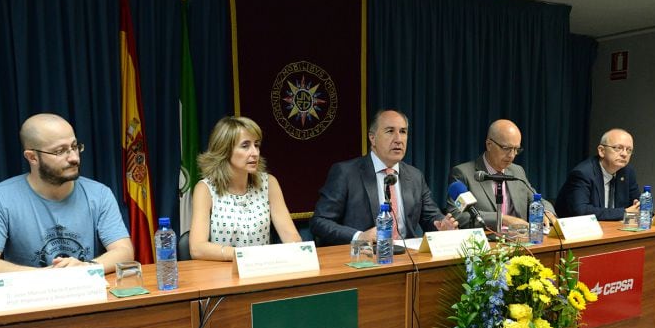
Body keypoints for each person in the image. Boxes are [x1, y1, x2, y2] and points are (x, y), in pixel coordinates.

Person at [0, 113, 133, 282]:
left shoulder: (99, 194)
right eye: (60, 151)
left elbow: (124, 251)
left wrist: (88, 267)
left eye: (74, 146)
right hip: (28, 300)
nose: (74, 157)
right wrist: (45, 276)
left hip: (86, 296)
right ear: (32, 157)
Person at [310, 109, 457, 246]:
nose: (398, 139)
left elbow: (431, 217)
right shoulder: (346, 173)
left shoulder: (415, 176)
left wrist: (442, 225)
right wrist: (359, 237)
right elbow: (320, 222)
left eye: (403, 132)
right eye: (390, 131)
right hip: (364, 258)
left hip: (408, 258)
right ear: (372, 138)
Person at [189, 116, 301, 261]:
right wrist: (243, 256)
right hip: (222, 274)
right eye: (245, 146)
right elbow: (197, 248)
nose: (255, 153)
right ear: (225, 150)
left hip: (263, 270)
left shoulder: (269, 183)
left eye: (256, 145)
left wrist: (298, 252)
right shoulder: (205, 189)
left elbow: (291, 236)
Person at [446, 119, 555, 229]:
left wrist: (547, 211)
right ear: (489, 144)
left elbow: (535, 199)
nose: (512, 155)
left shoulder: (517, 171)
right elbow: (457, 215)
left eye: (516, 149)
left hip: (522, 240)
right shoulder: (463, 173)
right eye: (506, 148)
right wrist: (502, 219)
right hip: (488, 242)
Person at [555, 128, 640, 221]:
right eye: (618, 148)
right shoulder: (583, 173)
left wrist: (639, 205)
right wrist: (624, 213)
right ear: (601, 151)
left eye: (629, 150)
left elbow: (637, 203)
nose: (624, 154)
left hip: (614, 229)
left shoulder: (627, 171)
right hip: (580, 231)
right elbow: (581, 211)